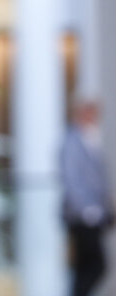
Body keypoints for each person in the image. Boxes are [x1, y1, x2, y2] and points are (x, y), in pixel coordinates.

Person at [61, 98, 113, 296]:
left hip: (94, 214)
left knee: (84, 267)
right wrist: (87, 209)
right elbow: (72, 179)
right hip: (81, 216)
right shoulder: (72, 141)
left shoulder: (90, 139)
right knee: (96, 265)